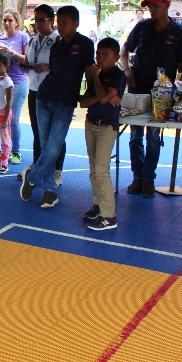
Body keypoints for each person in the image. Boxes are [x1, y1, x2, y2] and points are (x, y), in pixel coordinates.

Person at [20, 6, 94, 208]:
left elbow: (89, 71)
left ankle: (32, 177)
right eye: (59, 22)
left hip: (65, 102)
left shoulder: (85, 44)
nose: (60, 27)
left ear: (76, 24)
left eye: (65, 23)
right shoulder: (57, 45)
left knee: (54, 147)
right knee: (46, 146)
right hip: (44, 96)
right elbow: (54, 70)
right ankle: (50, 192)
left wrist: (91, 94)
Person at [120, 0, 182, 198]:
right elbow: (124, 50)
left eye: (156, 5)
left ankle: (148, 178)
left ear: (167, 5)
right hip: (137, 87)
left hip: (162, 93)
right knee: (135, 135)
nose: (152, 9)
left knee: (153, 136)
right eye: (150, 6)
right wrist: (126, 70)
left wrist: (181, 90)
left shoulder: (180, 33)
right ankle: (137, 176)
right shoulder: (142, 27)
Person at [79, 38, 126, 230]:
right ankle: (98, 205)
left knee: (101, 169)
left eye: (105, 55)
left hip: (107, 127)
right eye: (98, 54)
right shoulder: (95, 76)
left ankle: (109, 215)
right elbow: (83, 102)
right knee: (93, 168)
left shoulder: (118, 76)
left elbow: (104, 98)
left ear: (116, 57)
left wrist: (97, 81)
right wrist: (102, 96)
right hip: (91, 123)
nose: (100, 58)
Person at [0, 8, 30, 165]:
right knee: (0, 118)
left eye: (10, 20)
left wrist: (11, 52)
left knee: (12, 119)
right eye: (5, 20)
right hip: (0, 84)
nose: (7, 23)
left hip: (18, 82)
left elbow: (27, 59)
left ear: (17, 22)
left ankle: (15, 151)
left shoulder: (22, 36)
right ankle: (5, 149)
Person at [24, 4, 64, 183]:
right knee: (37, 132)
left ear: (52, 20)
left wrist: (47, 66)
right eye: (36, 19)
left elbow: (64, 66)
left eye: (42, 19)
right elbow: (28, 59)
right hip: (34, 90)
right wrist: (25, 65)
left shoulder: (58, 40)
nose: (38, 23)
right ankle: (37, 167)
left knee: (55, 135)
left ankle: (56, 170)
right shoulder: (33, 40)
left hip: (52, 92)